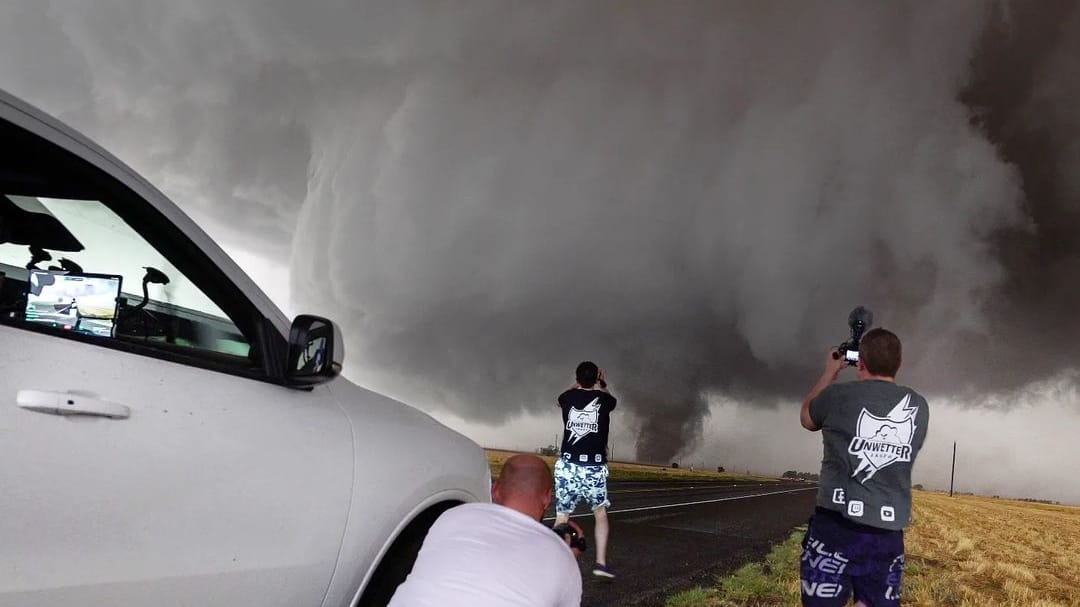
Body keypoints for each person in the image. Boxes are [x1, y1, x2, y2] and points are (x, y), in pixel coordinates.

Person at [799, 328, 929, 607]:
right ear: (900, 364)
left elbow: (807, 418)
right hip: (886, 534)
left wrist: (830, 372)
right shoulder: (919, 406)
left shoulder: (836, 396)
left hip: (834, 527)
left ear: (860, 363)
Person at [387, 454, 582, 607]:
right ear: (547, 498)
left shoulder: (450, 517)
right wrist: (565, 556)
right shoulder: (561, 557)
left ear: (495, 490)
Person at [554, 361, 617, 578]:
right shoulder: (604, 399)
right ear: (596, 378)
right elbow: (611, 398)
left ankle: (555, 565)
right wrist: (601, 382)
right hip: (594, 468)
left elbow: (564, 395)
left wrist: (579, 383)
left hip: (568, 466)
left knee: (562, 517)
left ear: (577, 377)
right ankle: (600, 563)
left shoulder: (567, 398)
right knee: (599, 513)